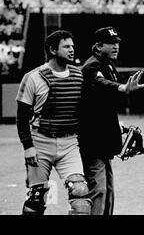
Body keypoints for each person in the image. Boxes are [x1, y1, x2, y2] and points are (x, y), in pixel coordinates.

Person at [15, 30, 91, 215]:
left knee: (81, 193)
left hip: (69, 143)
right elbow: (22, 117)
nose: (72, 50)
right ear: (53, 49)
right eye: (66, 47)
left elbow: (86, 111)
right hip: (40, 142)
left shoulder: (78, 76)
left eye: (72, 46)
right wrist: (28, 146)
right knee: (36, 198)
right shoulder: (33, 77)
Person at [78, 26, 144, 215]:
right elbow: (100, 83)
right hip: (92, 139)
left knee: (108, 189)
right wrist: (123, 88)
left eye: (117, 43)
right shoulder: (92, 66)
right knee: (98, 190)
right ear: (98, 46)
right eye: (111, 43)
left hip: (103, 137)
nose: (116, 46)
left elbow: (100, 104)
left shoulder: (107, 64)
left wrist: (116, 126)